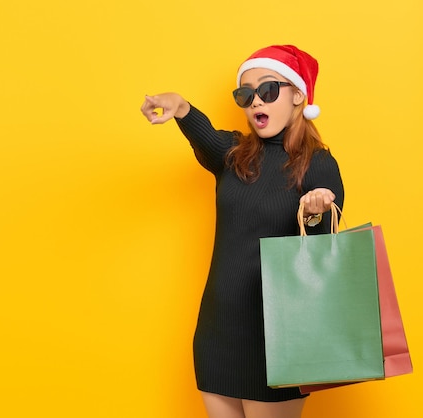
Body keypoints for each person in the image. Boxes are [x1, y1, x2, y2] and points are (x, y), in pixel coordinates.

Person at [140, 45, 344, 418]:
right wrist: (180, 106)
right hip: (219, 329)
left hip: (279, 334)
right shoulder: (234, 154)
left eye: (267, 90)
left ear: (298, 95)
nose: (254, 102)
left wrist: (315, 214)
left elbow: (325, 258)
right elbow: (202, 134)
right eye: (245, 94)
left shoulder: (318, 164)